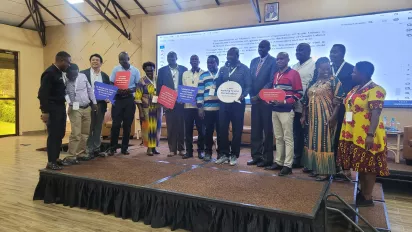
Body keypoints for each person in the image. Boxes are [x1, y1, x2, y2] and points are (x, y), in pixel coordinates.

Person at [338, 61, 389, 207]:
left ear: (363, 73)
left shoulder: (376, 90)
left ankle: (368, 196)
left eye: (354, 72)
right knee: (361, 165)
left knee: (369, 166)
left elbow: (376, 113)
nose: (351, 74)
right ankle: (362, 192)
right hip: (352, 132)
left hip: (367, 133)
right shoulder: (355, 89)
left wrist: (370, 135)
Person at [301, 57, 345, 181]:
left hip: (327, 117)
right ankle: (316, 167)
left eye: (328, 68)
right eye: (323, 68)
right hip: (312, 118)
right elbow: (305, 100)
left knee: (325, 143)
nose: (326, 71)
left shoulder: (334, 81)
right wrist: (304, 115)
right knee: (313, 142)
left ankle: (325, 171)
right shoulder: (313, 82)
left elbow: (338, 101)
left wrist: (333, 117)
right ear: (318, 68)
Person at [267, 52, 303, 176]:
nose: (279, 61)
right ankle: (279, 162)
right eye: (277, 59)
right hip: (275, 109)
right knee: (278, 137)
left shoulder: (294, 74)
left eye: (282, 59)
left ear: (288, 60)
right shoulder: (276, 74)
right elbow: (274, 92)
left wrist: (285, 101)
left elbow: (299, 93)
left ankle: (288, 165)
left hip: (287, 110)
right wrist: (270, 99)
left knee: (288, 138)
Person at [215, 47, 251, 166]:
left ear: (237, 55)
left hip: (237, 104)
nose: (229, 57)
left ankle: (234, 155)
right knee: (222, 129)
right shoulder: (223, 69)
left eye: (231, 55)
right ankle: (224, 154)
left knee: (237, 130)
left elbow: (248, 85)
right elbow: (218, 84)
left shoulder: (244, 69)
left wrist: (243, 94)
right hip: (224, 103)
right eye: (227, 55)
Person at [38, 51, 71, 170]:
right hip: (52, 108)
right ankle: (51, 161)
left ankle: (56, 158)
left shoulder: (60, 72)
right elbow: (43, 94)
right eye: (68, 62)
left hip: (60, 107)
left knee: (60, 133)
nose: (69, 65)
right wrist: (45, 112)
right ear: (61, 61)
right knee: (53, 135)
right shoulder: (49, 73)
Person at [247, 40, 277, 168]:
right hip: (254, 101)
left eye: (263, 47)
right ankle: (256, 156)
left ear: (269, 48)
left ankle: (267, 158)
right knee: (256, 130)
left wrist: (259, 95)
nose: (260, 49)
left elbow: (271, 81)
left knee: (267, 131)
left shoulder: (273, 61)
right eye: (259, 47)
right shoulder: (253, 61)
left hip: (265, 102)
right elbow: (249, 80)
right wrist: (251, 95)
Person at [329, 44, 355, 177]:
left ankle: (345, 167)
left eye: (335, 52)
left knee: (342, 137)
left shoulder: (351, 69)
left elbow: (355, 90)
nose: (332, 54)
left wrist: (342, 99)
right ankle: (331, 165)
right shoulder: (327, 69)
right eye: (331, 52)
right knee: (329, 137)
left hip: (346, 110)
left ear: (343, 54)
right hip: (328, 108)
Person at [108, 52, 140, 156]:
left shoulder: (135, 71)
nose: (122, 62)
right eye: (120, 60)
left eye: (124, 60)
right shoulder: (116, 69)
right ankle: (112, 148)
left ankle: (124, 148)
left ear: (128, 58)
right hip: (118, 99)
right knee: (116, 124)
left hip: (129, 99)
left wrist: (129, 90)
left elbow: (138, 86)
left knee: (127, 125)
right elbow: (111, 83)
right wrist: (118, 90)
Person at [157, 52, 188, 157]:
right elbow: (159, 87)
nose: (171, 59)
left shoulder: (184, 69)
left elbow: (187, 86)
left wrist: (184, 98)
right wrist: (163, 102)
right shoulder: (162, 71)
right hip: (168, 102)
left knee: (181, 126)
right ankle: (172, 149)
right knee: (171, 126)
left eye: (172, 57)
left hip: (181, 102)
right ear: (167, 59)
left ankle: (182, 148)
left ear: (176, 58)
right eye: (168, 57)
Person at [81, 54, 111, 159]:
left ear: (101, 63)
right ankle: (88, 149)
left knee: (98, 127)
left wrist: (109, 97)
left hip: (101, 104)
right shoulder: (83, 74)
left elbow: (109, 90)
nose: (95, 62)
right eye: (93, 60)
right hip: (88, 104)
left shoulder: (105, 76)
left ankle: (96, 149)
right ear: (90, 62)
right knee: (89, 127)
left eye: (97, 60)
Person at [65, 63, 98, 159]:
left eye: (76, 74)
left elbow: (89, 90)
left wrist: (94, 102)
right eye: (72, 75)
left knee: (85, 133)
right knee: (76, 134)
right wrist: (70, 103)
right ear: (68, 73)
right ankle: (71, 155)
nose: (74, 76)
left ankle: (81, 153)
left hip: (87, 107)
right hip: (75, 109)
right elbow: (65, 94)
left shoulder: (82, 76)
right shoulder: (65, 80)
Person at [292, 43, 316, 169]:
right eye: (296, 50)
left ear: (309, 51)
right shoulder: (294, 66)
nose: (298, 52)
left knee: (308, 133)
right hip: (295, 105)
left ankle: (308, 161)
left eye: (301, 50)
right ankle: (297, 158)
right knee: (297, 133)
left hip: (309, 106)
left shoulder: (314, 65)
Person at [135, 62, 162, 156]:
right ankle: (149, 148)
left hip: (158, 107)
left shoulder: (158, 79)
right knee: (148, 128)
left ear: (154, 70)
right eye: (147, 71)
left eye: (151, 70)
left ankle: (154, 147)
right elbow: (138, 98)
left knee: (157, 127)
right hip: (147, 108)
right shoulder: (141, 81)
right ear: (144, 71)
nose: (150, 72)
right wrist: (141, 111)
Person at [197, 55, 221, 162]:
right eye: (208, 63)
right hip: (207, 109)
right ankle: (208, 153)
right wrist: (200, 108)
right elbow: (200, 92)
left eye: (212, 62)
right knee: (208, 133)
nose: (210, 65)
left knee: (221, 132)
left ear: (217, 63)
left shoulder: (222, 74)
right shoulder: (203, 75)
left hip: (221, 110)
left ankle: (221, 154)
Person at [182, 55, 205, 159]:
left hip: (200, 107)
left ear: (199, 61)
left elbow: (205, 89)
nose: (194, 61)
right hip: (187, 107)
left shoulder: (203, 73)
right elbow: (183, 89)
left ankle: (201, 151)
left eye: (196, 59)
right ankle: (189, 152)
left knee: (201, 130)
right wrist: (183, 97)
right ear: (190, 62)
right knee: (188, 130)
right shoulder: (185, 73)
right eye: (192, 59)